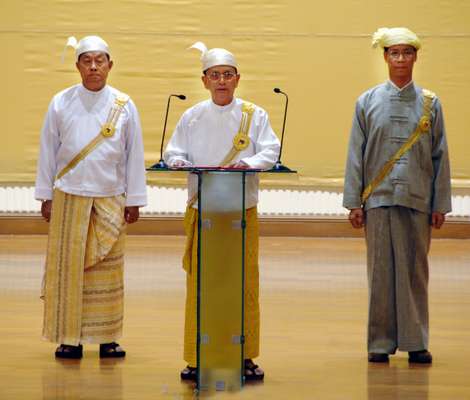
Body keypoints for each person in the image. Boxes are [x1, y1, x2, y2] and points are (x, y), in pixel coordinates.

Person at [164, 41, 280, 380]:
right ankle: (198, 356)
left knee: (242, 283)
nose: (221, 81)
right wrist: (179, 161)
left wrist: (247, 163)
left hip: (241, 211)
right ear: (204, 80)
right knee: (203, 284)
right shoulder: (192, 115)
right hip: (205, 211)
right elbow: (173, 152)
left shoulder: (254, 115)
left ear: (238, 78)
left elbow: (270, 152)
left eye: (227, 75)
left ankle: (243, 356)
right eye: (214, 75)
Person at [343, 27, 451, 364]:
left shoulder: (431, 103)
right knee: (379, 272)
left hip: (418, 199)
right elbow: (355, 154)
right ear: (385, 57)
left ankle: (416, 340)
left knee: (415, 271)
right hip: (377, 200)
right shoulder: (367, 101)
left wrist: (440, 204)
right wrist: (354, 202)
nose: (400, 59)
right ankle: (380, 341)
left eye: (407, 52)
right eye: (394, 53)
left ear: (416, 56)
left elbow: (440, 155)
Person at [35, 35, 147, 359]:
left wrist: (134, 199)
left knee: (108, 274)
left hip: (110, 198)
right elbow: (48, 151)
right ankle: (69, 338)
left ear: (110, 65)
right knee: (69, 273)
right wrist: (46, 195)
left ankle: (108, 338)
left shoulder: (124, 105)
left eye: (100, 60)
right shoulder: (60, 102)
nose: (94, 66)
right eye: (87, 60)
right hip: (69, 198)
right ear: (78, 66)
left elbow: (133, 153)